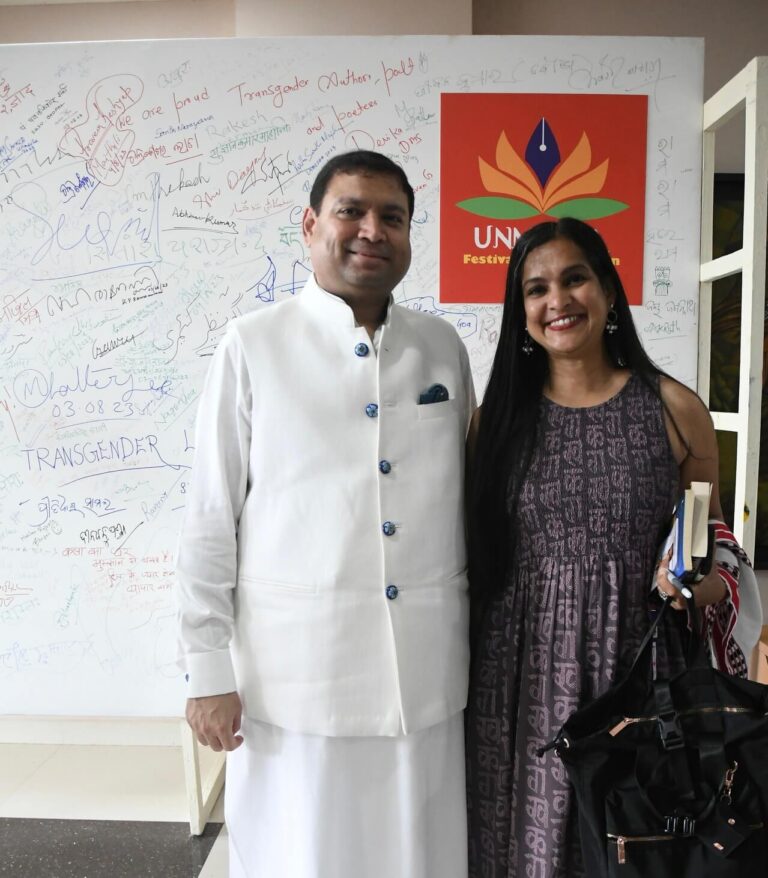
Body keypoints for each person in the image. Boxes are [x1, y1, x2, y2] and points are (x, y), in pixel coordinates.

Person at [175, 150, 475, 878]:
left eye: (393, 217)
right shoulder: (254, 343)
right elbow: (212, 514)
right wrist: (206, 671)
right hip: (295, 675)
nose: (373, 230)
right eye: (352, 211)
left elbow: (472, 498)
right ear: (312, 226)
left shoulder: (442, 346)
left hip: (424, 669)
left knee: (421, 854)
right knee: (299, 852)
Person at [464, 218, 755, 877]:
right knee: (525, 845)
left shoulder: (674, 408)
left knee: (635, 846)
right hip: (519, 673)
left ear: (608, 290)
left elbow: (705, 544)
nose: (556, 301)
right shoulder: (497, 422)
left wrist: (688, 580)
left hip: (637, 666)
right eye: (535, 289)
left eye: (574, 278)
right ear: (521, 312)